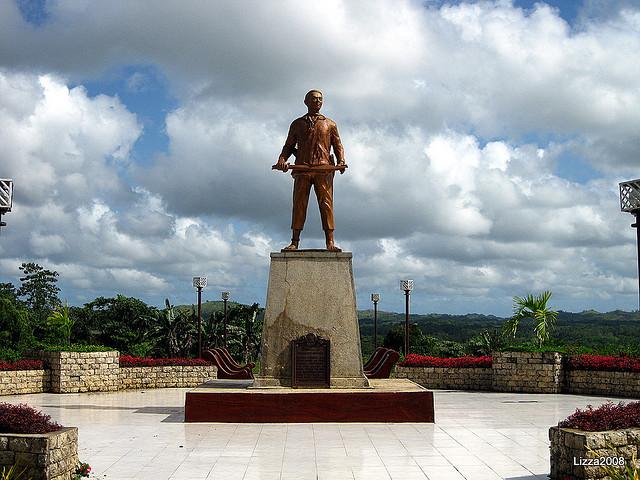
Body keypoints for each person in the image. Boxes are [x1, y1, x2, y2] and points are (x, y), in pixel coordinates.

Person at [274, 90, 346, 251]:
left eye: (320, 99)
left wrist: (341, 161)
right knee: (299, 204)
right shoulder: (297, 124)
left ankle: (330, 242)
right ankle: (295, 241)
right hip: (303, 169)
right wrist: (282, 159)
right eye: (314, 99)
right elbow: (288, 146)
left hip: (323, 170)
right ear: (306, 102)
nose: (317, 102)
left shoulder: (330, 124)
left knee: (326, 205)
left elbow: (338, 145)